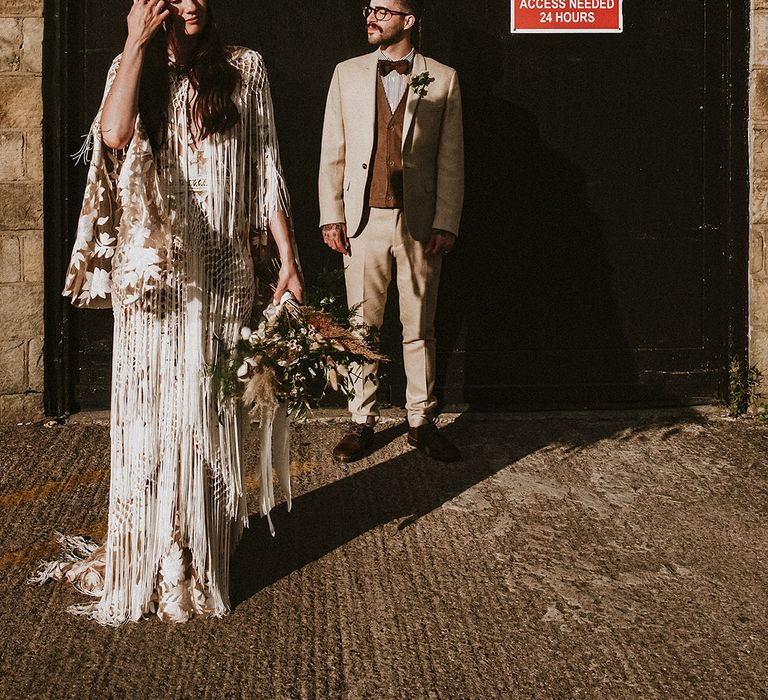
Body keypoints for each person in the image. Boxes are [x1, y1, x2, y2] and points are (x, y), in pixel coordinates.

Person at [30, 0, 303, 625]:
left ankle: (198, 551)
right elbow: (114, 137)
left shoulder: (245, 68)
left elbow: (266, 170)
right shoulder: (130, 70)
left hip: (220, 277)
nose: (192, 4)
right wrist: (134, 43)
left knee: (204, 417)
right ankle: (150, 556)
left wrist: (287, 261)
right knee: (153, 422)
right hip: (153, 282)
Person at [319, 1, 464, 463]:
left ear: (409, 20)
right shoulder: (346, 73)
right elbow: (333, 149)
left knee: (419, 327)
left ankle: (421, 421)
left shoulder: (443, 77)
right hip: (363, 222)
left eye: (383, 10)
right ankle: (362, 421)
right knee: (362, 330)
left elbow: (451, 157)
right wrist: (331, 215)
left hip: (419, 224)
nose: (372, 17)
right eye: (369, 8)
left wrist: (446, 220)